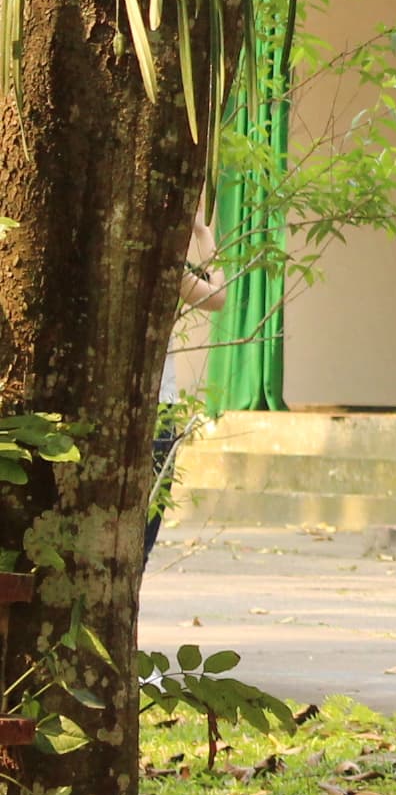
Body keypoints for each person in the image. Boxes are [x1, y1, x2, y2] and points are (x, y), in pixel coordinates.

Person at [144, 234, 229, 562]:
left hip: (151, 402)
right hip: (158, 406)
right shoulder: (163, 260)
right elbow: (217, 296)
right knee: (148, 515)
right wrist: (203, 231)